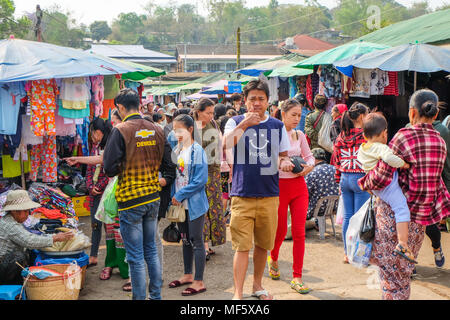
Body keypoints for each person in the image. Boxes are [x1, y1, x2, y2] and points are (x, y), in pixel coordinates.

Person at [358, 89, 450, 300]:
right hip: (418, 222)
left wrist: (364, 182)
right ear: (435, 115)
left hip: (393, 217)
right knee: (403, 275)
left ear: (411, 113)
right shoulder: (440, 143)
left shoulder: (402, 138)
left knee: (391, 278)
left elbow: (381, 176)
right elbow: (437, 182)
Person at [223, 79, 293, 300]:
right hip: (241, 194)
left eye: (261, 99)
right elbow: (225, 144)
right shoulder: (233, 122)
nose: (256, 103)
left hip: (269, 194)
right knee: (242, 247)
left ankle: (257, 285)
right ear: (244, 101)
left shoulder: (277, 125)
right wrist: (245, 124)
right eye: (252, 99)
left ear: (267, 101)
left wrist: (285, 164)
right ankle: (238, 292)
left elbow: (282, 157)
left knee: (263, 246)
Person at [103, 88, 165, 300]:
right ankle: (155, 297)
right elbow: (169, 164)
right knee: (151, 251)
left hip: (130, 201)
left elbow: (109, 168)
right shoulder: (157, 128)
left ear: (120, 108)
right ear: (138, 104)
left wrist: (125, 165)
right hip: (153, 198)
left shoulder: (120, 130)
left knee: (135, 257)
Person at [65, 115, 132, 292]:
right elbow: (99, 161)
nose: (116, 125)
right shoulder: (111, 141)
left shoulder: (120, 137)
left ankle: (127, 269)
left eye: (117, 121)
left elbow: (103, 162)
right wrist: (79, 160)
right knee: (110, 229)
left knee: (120, 230)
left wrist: (79, 160)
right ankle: (111, 264)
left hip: (121, 190)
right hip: (112, 192)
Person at [267, 99, 315, 295]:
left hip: (299, 186)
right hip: (279, 187)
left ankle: (297, 276)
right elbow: (268, 161)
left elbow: (309, 156)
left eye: (299, 115)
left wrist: (309, 167)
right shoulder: (273, 135)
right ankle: (274, 257)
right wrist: (280, 164)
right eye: (293, 115)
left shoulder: (300, 134)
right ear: (283, 114)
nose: (297, 118)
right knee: (279, 231)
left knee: (299, 232)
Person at [357, 113, 415, 263]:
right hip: (387, 187)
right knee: (402, 208)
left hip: (375, 187)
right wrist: (404, 164)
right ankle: (402, 243)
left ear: (364, 135)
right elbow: (389, 158)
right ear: (384, 133)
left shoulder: (363, 148)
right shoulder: (381, 148)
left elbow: (361, 163)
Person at [168, 114, 209, 296]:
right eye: (174, 130)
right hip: (180, 205)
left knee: (196, 240)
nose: (176, 133)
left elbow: (200, 180)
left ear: (190, 130)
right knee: (185, 240)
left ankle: (199, 281)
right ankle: (187, 275)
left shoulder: (197, 151)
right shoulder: (176, 150)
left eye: (180, 130)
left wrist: (180, 194)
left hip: (195, 204)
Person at [0, 190, 74, 285]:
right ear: (14, 211)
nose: (28, 214)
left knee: (27, 253)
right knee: (19, 256)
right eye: (26, 211)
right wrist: (55, 238)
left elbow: (28, 237)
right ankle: (10, 284)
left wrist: (52, 237)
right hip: (2, 266)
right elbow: (29, 241)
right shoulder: (9, 225)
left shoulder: (12, 221)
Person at [331, 102, 370, 264]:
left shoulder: (341, 136)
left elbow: (336, 160)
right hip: (360, 179)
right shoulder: (366, 136)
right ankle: (357, 254)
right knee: (359, 219)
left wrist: (339, 180)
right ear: (361, 117)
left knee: (348, 217)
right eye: (367, 114)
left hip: (345, 179)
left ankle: (347, 253)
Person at [193, 98, 225, 260]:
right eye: (208, 113)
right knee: (201, 210)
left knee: (214, 209)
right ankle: (203, 245)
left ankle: (209, 242)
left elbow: (220, 146)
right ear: (199, 112)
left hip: (213, 172)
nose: (211, 115)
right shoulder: (191, 128)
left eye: (213, 112)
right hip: (197, 173)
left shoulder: (214, 124)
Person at [305, 148, 339, 220]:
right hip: (334, 207)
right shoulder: (335, 169)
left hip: (317, 209)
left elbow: (305, 192)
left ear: (314, 159)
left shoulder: (312, 172)